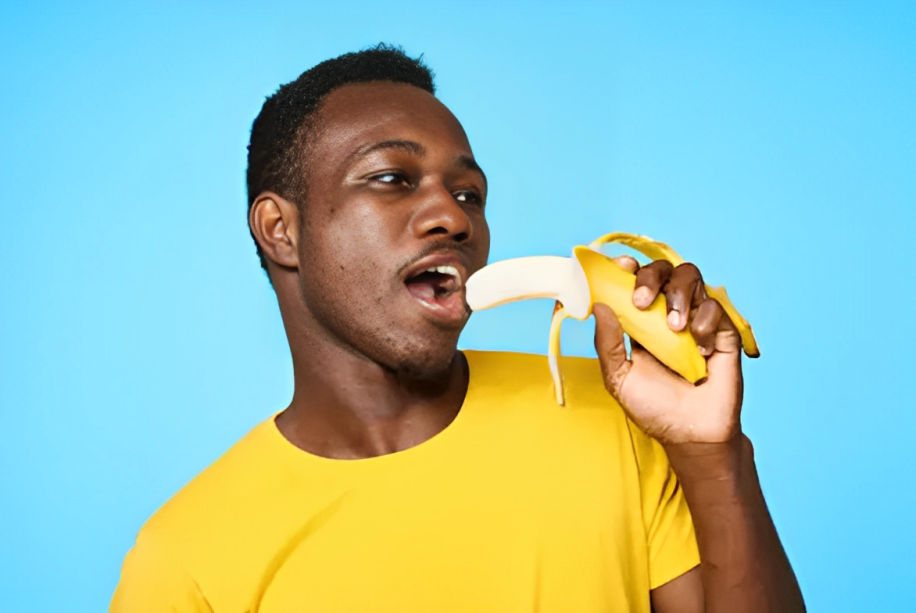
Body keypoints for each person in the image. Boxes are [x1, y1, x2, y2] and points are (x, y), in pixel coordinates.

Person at [111, 45, 806, 613]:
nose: (454, 215)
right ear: (280, 230)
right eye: (392, 178)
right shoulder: (186, 561)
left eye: (468, 192)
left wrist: (713, 456)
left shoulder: (615, 415)